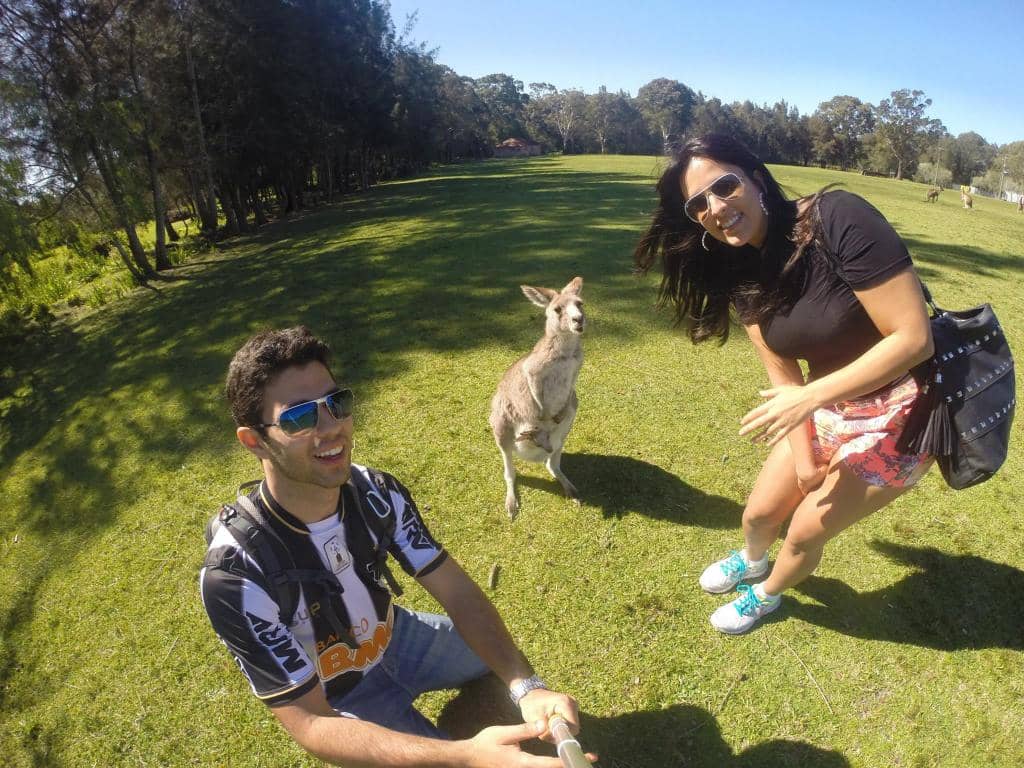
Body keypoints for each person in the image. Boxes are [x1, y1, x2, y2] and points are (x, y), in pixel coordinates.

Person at [200, 326, 586, 766]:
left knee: (498, 664)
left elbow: (456, 591)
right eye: (298, 418)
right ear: (255, 441)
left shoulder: (375, 491)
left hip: (399, 637)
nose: (331, 429)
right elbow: (310, 723)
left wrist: (526, 686)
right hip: (341, 693)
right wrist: (466, 756)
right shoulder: (234, 573)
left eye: (336, 403)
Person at [633, 134, 935, 634]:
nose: (714, 207)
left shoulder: (836, 217)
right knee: (757, 515)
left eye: (723, 186)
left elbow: (914, 338)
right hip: (826, 405)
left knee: (801, 533)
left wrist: (812, 398)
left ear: (754, 176)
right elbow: (782, 372)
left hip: (905, 411)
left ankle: (766, 595)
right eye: (697, 204)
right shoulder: (741, 269)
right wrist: (804, 460)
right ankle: (751, 560)